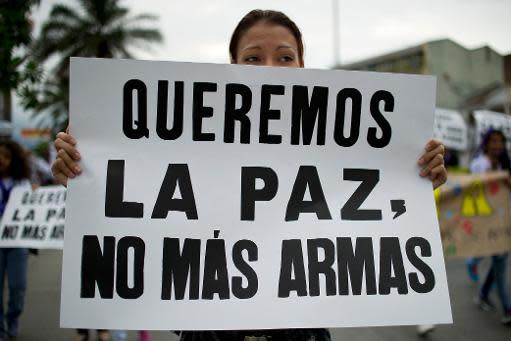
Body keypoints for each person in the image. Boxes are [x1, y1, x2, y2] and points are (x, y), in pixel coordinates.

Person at [51, 9, 448, 341]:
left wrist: (414, 175)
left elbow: (376, 211)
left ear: (302, 64)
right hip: (208, 329)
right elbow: (137, 201)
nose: (270, 68)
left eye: (285, 56)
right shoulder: (187, 140)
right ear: (234, 65)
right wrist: (83, 172)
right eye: (254, 57)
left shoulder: (345, 145)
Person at [469, 129, 511, 324]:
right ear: (486, 143)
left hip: (506, 220)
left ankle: (483, 294)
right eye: (493, 141)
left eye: (500, 142)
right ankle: (508, 310)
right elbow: (476, 191)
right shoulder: (479, 164)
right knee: (500, 264)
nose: (497, 145)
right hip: (489, 222)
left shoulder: (505, 164)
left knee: (499, 264)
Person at [0, 140, 32, 340]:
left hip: (17, 242)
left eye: (5, 156)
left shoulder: (23, 183)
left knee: (17, 286)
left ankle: (13, 318)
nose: (1, 160)